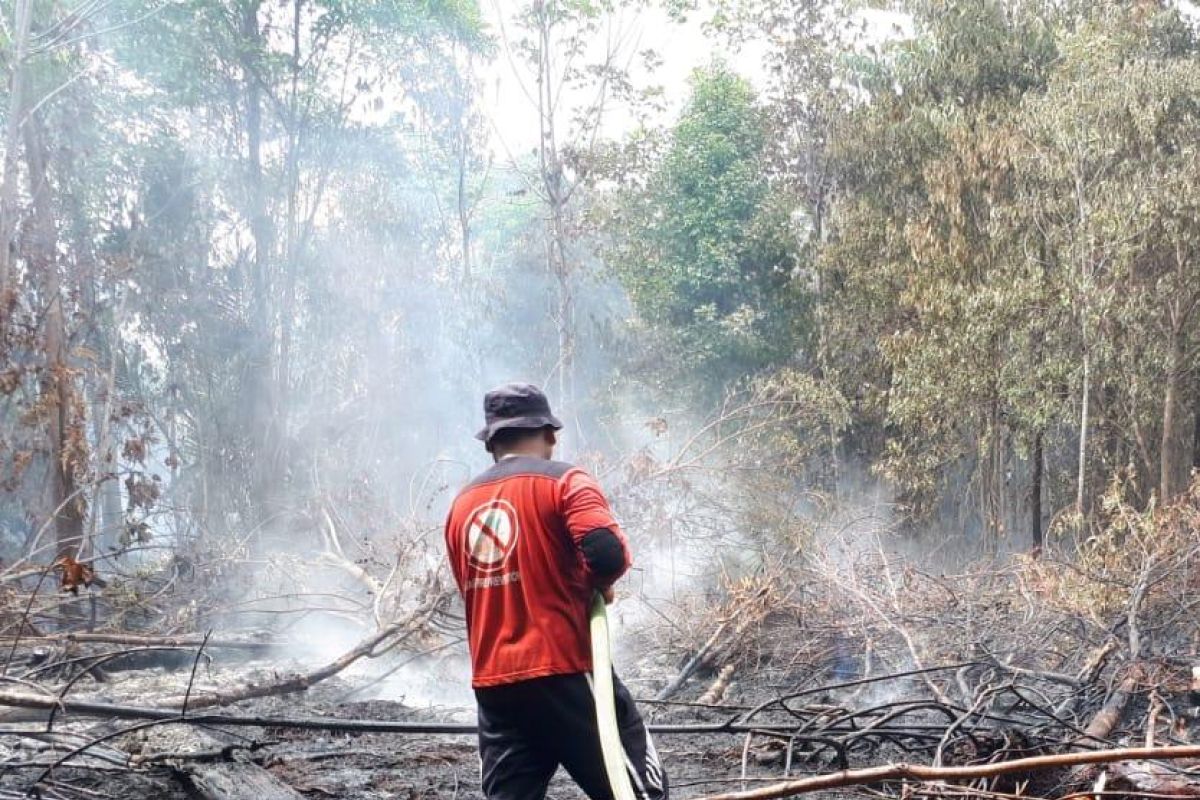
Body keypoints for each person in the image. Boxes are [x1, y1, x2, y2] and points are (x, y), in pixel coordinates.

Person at [444, 382, 668, 800]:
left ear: (490, 443)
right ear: (550, 434)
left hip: (495, 685)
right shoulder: (566, 480)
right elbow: (606, 553)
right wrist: (598, 586)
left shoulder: (460, 506)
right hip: (564, 669)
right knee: (639, 791)